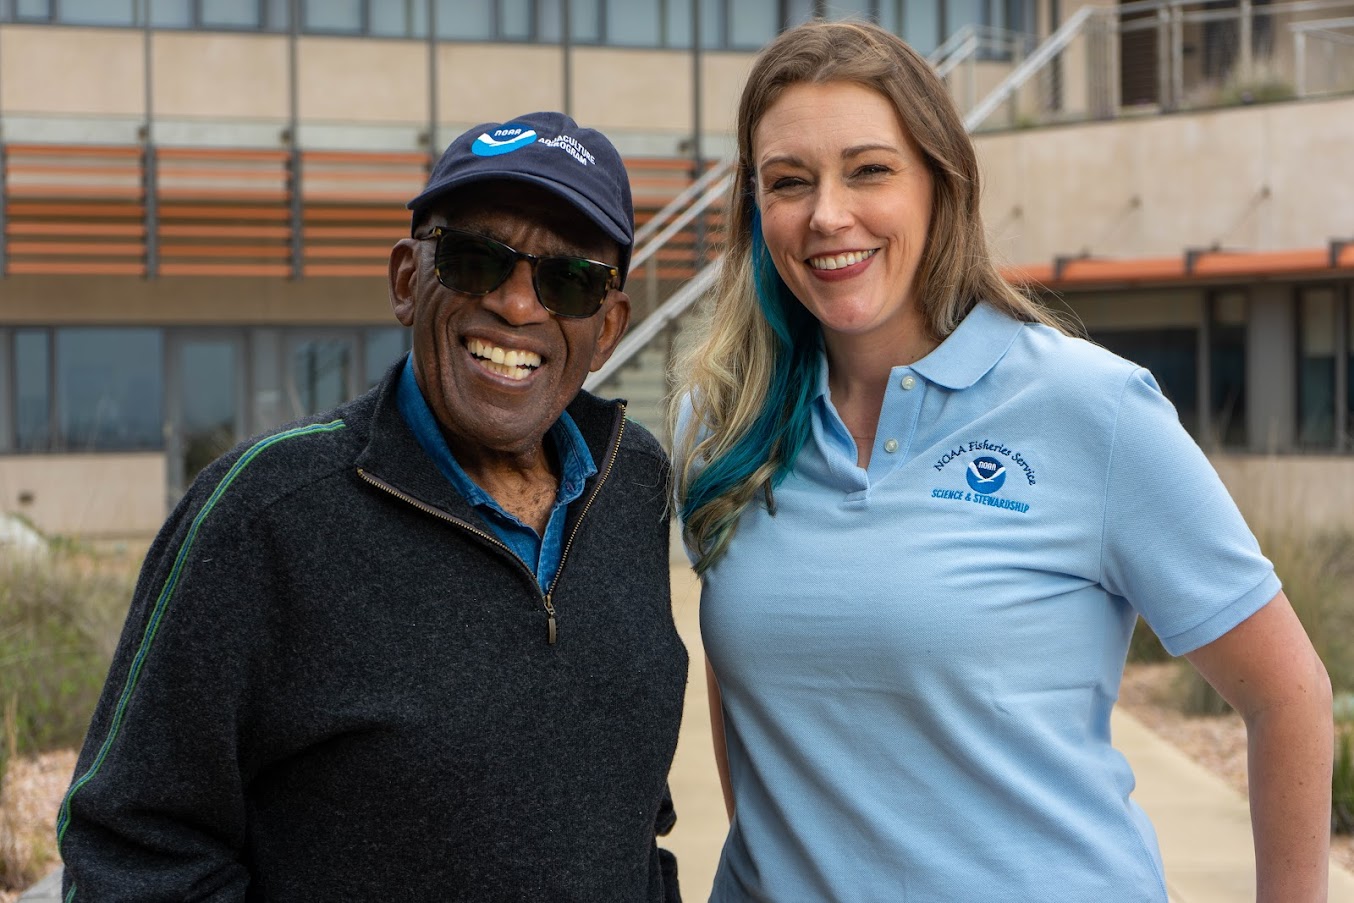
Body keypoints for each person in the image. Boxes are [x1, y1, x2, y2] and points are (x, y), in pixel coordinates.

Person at [671, 20, 1332, 903]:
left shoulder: (1090, 408)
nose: (828, 213)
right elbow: (747, 687)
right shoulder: (720, 425)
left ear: (940, 186)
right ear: (757, 212)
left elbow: (1288, 693)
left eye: (869, 169)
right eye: (790, 182)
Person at [58, 111, 688, 902]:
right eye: (474, 260)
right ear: (405, 279)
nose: (520, 307)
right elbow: (128, 852)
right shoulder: (265, 514)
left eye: (568, 281)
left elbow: (634, 816)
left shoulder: (632, 485)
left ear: (607, 327)